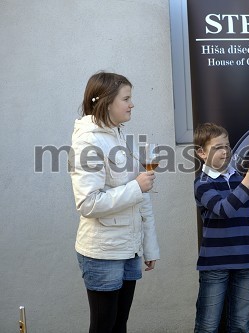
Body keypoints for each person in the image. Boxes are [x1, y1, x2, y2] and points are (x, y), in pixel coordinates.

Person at [69, 72, 160, 333]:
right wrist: (136, 186)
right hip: (103, 252)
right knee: (103, 326)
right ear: (107, 102)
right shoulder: (88, 141)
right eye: (126, 98)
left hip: (128, 249)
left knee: (120, 325)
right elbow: (88, 202)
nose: (132, 104)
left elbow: (141, 199)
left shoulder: (120, 136)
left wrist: (149, 247)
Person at [193, 123, 249, 333]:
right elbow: (224, 210)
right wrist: (248, 181)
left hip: (244, 261)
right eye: (217, 147)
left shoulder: (237, 178)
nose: (225, 151)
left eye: (227, 145)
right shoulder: (202, 183)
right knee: (208, 325)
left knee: (241, 325)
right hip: (215, 265)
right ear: (201, 153)